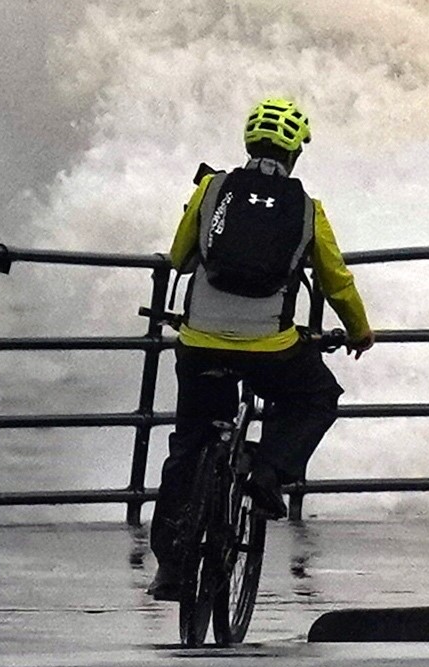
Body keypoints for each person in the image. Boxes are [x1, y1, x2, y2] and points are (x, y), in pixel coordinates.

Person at [148, 96, 375, 601]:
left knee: (188, 446)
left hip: (200, 345)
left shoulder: (212, 190)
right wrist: (359, 330)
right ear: (295, 154)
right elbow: (336, 283)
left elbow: (180, 257)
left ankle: (171, 567)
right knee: (316, 396)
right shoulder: (308, 211)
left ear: (248, 143)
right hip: (270, 348)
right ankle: (269, 471)